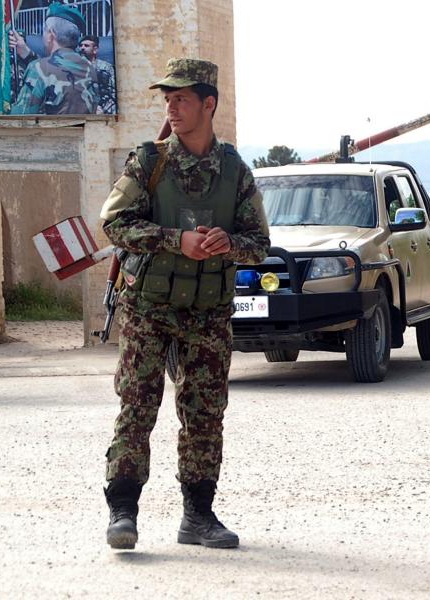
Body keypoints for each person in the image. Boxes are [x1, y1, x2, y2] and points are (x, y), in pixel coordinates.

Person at [98, 58, 270, 550]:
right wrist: (177, 240)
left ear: (208, 104)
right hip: (148, 307)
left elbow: (259, 242)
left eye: (182, 99)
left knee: (205, 412)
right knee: (137, 406)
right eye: (167, 100)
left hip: (208, 312)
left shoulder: (235, 171)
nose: (171, 108)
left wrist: (226, 243)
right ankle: (123, 513)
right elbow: (113, 224)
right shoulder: (149, 163)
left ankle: (198, 516)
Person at [9, 4, 98, 115]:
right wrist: (27, 53)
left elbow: (20, 118)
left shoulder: (39, 68)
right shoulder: (89, 68)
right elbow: (57, 67)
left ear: (51, 34)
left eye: (45, 31)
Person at [78, 35, 116, 114]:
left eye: (86, 46)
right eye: (80, 45)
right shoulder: (74, 68)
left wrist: (103, 110)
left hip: (104, 108)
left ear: (95, 49)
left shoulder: (105, 67)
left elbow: (113, 91)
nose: (82, 48)